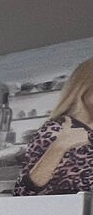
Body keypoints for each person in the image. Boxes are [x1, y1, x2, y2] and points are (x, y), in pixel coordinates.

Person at [15, 60, 93, 194]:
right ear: (84, 87)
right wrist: (59, 147)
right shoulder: (56, 129)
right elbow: (23, 192)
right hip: (66, 207)